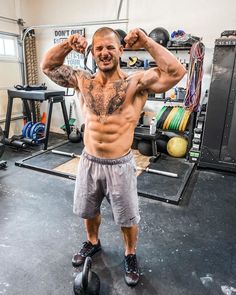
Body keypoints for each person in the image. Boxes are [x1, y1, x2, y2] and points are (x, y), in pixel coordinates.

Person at [41, 27, 186, 286]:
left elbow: (177, 72)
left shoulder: (137, 83)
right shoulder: (82, 80)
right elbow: (48, 66)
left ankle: (130, 254)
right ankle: (93, 242)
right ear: (92, 53)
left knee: (127, 217)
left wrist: (145, 41)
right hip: (89, 161)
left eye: (110, 47)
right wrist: (67, 44)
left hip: (120, 164)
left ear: (121, 50)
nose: (104, 53)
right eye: (98, 48)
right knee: (89, 209)